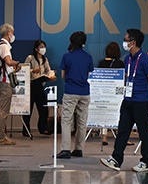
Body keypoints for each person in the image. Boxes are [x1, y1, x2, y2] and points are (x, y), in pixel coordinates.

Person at [100, 28, 148, 172]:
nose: (124, 42)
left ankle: (145, 161)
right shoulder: (127, 59)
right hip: (128, 99)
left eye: (126, 39)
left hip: (141, 101)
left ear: (133, 42)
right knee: (123, 130)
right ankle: (116, 159)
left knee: (144, 132)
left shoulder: (145, 59)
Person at [56, 31, 94, 159]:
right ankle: (79, 149)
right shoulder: (88, 57)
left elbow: (63, 76)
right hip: (84, 92)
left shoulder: (67, 57)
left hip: (71, 90)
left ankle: (65, 149)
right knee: (82, 122)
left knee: (66, 120)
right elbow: (88, 74)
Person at [0, 23, 20, 146]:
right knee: (4, 111)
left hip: (0, 80)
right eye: (12, 32)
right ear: (8, 33)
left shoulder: (0, 45)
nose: (13, 35)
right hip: (5, 82)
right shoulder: (4, 46)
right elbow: (8, 62)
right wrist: (17, 63)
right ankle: (1, 138)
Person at [23, 39, 57, 136]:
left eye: (44, 47)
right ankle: (26, 130)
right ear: (36, 49)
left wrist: (51, 75)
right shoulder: (30, 58)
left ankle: (42, 128)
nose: (43, 49)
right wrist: (33, 70)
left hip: (40, 85)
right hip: (31, 85)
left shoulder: (45, 59)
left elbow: (48, 70)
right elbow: (24, 69)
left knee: (43, 109)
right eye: (41, 47)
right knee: (28, 109)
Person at [97, 42, 125, 145]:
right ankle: (119, 135)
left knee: (105, 113)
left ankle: (104, 137)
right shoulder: (120, 63)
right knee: (119, 114)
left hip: (104, 92)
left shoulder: (101, 63)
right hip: (117, 92)